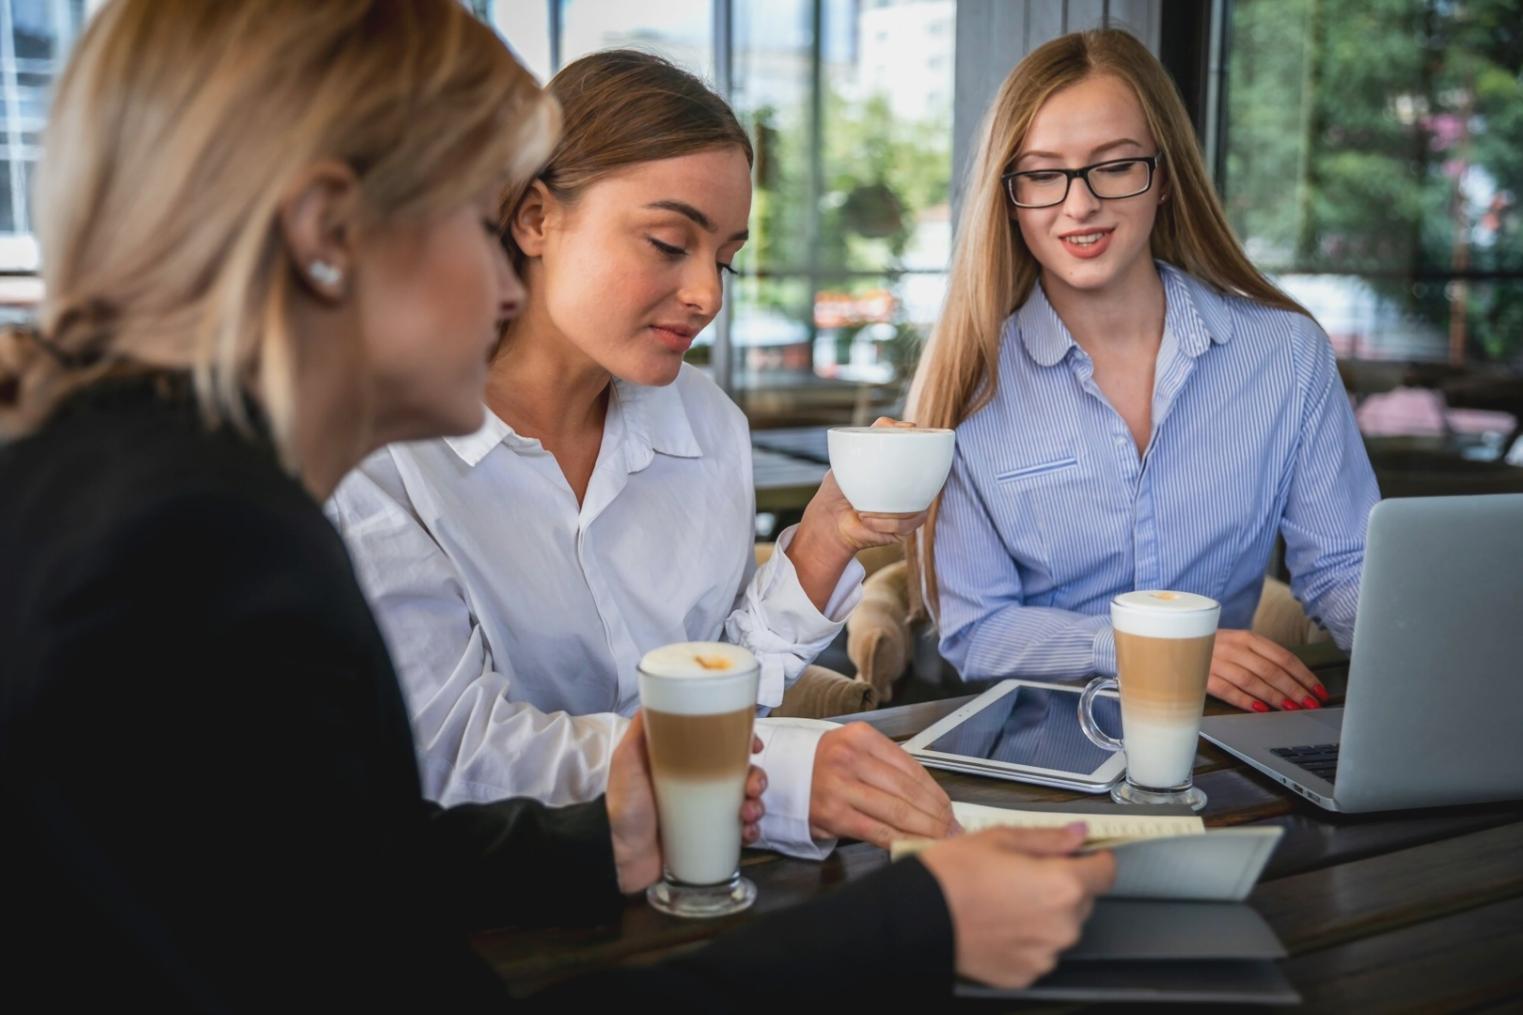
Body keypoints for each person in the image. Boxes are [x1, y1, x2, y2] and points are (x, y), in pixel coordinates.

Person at [0, 2, 1113, 1007]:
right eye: (472, 221)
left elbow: (328, 867)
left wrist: (605, 836)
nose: (498, 284)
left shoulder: (127, 490)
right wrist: (912, 926)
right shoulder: (204, 547)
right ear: (329, 235)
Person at [329, 50, 954, 856]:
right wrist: (772, 778)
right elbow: (453, 751)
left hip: (694, 872)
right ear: (534, 219)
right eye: (668, 243)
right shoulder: (382, 451)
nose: (709, 295)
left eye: (725, 257)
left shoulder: (706, 424)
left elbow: (715, 677)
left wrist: (826, 538)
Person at [909, 29, 1379, 713]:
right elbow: (978, 633)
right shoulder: (970, 387)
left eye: (1115, 164)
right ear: (1008, 198)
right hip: (1042, 754)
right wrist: (1156, 648)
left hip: (1217, 746)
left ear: (1164, 177)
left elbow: (1342, 568)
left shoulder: (1284, 356)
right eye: (1041, 174)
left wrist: (1439, 649)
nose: (1078, 205)